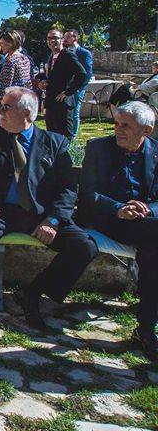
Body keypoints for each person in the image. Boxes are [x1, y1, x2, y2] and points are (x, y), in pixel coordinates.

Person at [0, 87, 98, 329]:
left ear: (27, 114)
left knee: (84, 247)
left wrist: (54, 219)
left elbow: (68, 187)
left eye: (5, 108)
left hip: (40, 214)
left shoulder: (55, 143)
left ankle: (34, 292)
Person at [78, 102, 158, 361]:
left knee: (151, 252)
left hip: (146, 224)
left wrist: (147, 208)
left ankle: (145, 328)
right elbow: (88, 195)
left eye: (126, 126)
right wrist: (118, 208)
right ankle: (146, 329)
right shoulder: (99, 148)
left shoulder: (156, 153)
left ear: (147, 130)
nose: (118, 130)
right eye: (117, 123)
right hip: (108, 219)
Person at [35, 29, 86, 140]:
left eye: (55, 38)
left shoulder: (67, 54)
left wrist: (68, 92)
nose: (52, 40)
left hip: (63, 103)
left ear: (62, 40)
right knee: (52, 137)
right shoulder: (51, 56)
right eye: (49, 38)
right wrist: (43, 82)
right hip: (51, 101)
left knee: (64, 137)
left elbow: (82, 74)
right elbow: (52, 75)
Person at [63, 29, 94, 135]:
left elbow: (88, 73)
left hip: (77, 88)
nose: (65, 39)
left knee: (74, 112)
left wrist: (78, 87)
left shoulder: (84, 53)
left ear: (75, 38)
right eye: (64, 37)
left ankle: (73, 136)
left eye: (68, 37)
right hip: (65, 87)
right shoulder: (64, 52)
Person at [0, 31, 33, 108]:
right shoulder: (25, 58)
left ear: (10, 43)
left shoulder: (10, 60)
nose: (0, 46)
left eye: (2, 43)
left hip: (13, 101)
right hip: (24, 99)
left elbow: (5, 84)